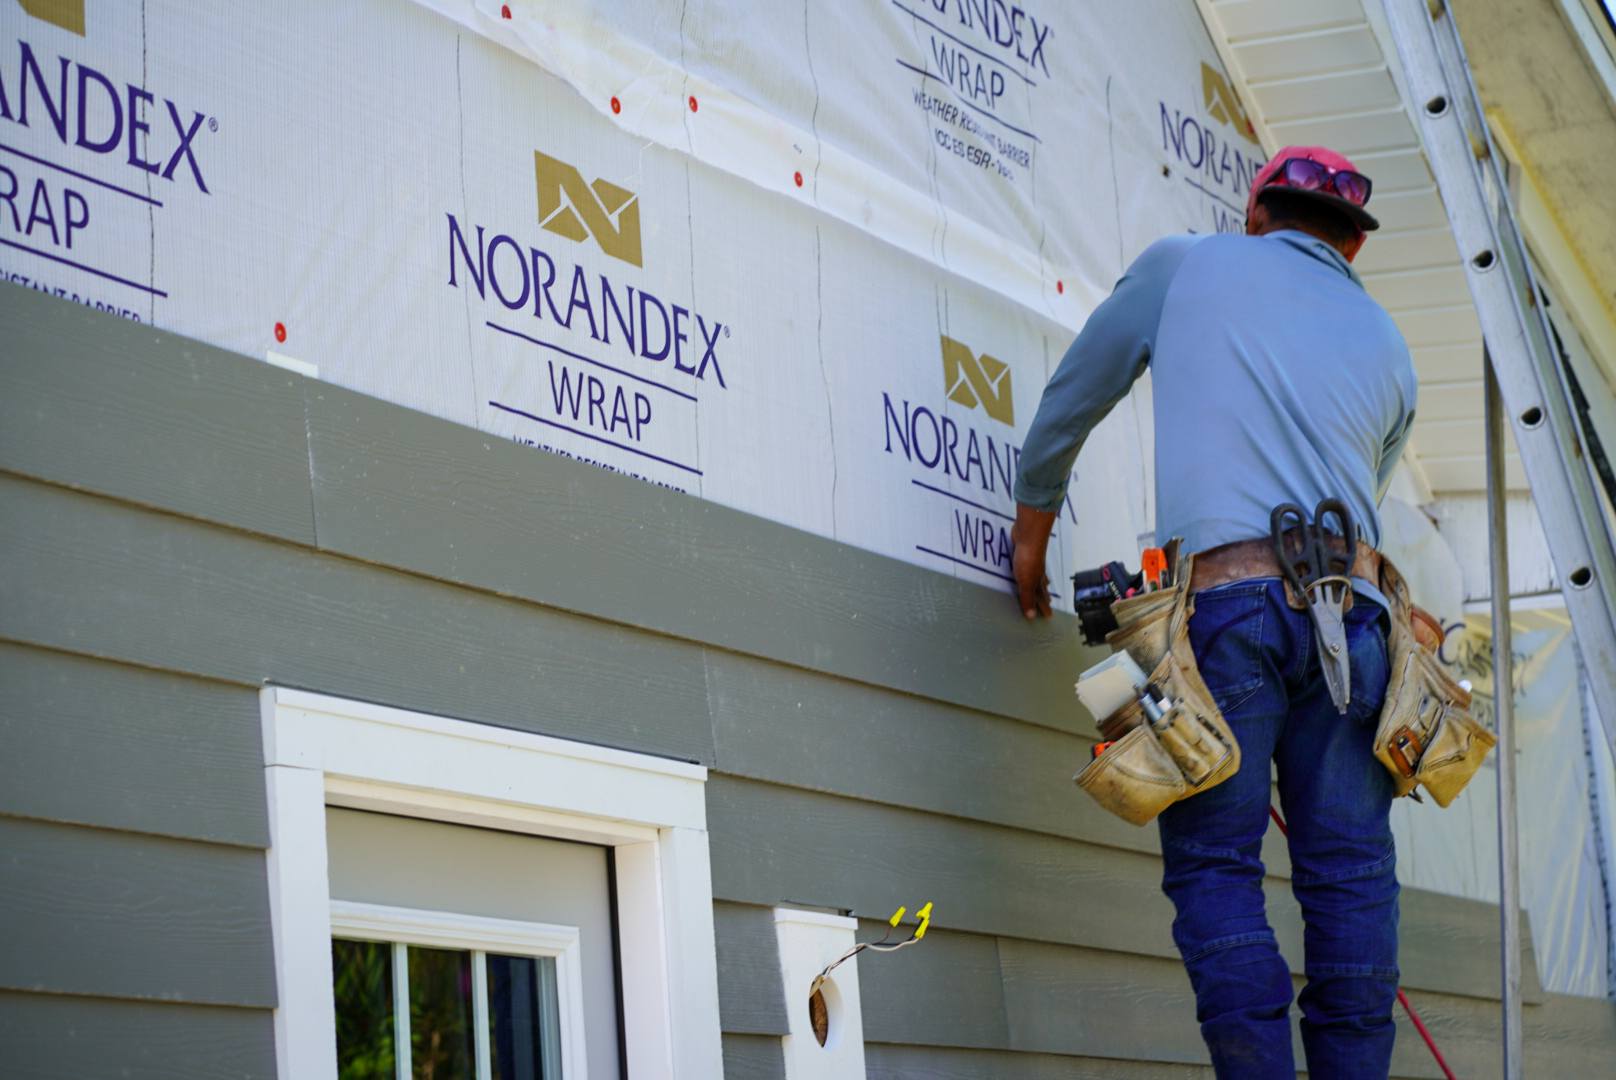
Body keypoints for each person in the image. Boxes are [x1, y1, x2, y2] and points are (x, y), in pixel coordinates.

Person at [1011, 146, 1419, 1078]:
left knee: (1217, 867)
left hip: (1228, 614)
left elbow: (1074, 399)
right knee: (1351, 880)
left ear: (1255, 215)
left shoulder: (1186, 263)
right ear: (1353, 245)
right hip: (1355, 623)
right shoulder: (1390, 342)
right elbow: (1364, 501)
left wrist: (1032, 533)